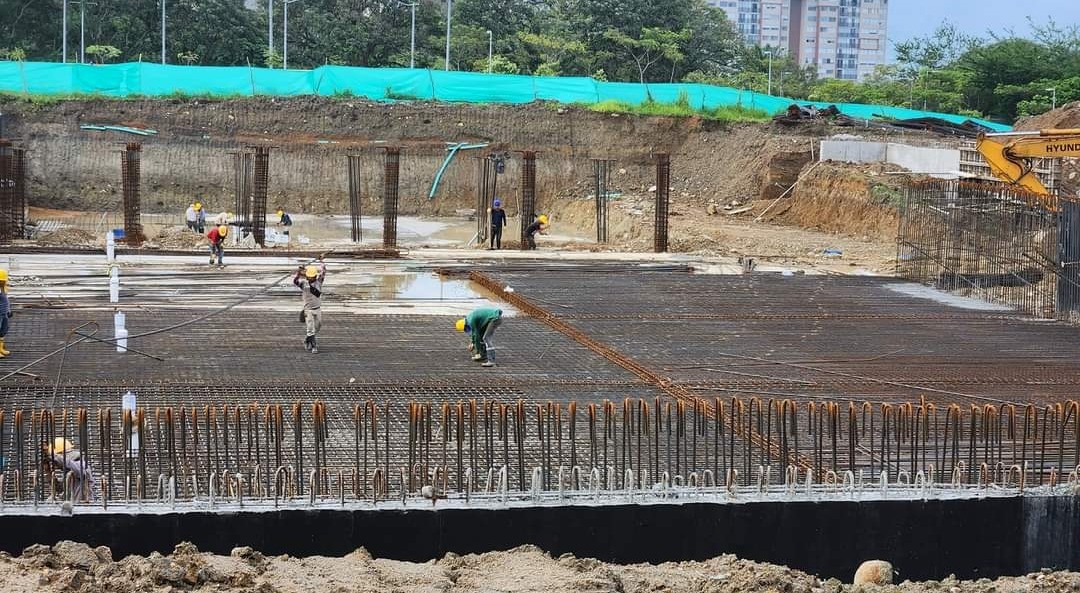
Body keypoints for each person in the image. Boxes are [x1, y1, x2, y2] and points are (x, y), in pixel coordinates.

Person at [43, 438, 96, 503]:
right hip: (73, 506)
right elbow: (61, 490)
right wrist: (48, 473)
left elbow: (71, 465)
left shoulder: (82, 465)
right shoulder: (68, 472)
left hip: (83, 507)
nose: (56, 465)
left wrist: (54, 456)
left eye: (56, 462)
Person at [294, 261, 327, 354]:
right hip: (308, 311)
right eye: (309, 277)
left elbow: (324, 272)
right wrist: (298, 272)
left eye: (312, 277)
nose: (311, 278)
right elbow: (295, 281)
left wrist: (322, 262)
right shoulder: (304, 284)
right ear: (307, 276)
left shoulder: (319, 282)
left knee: (318, 326)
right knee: (310, 328)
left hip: (317, 309)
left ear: (315, 276)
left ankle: (307, 339)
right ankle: (314, 346)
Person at [0, 270, 11, 358]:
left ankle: (1, 348)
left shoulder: (3, 289)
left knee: (3, 330)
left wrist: (8, 311)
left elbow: (6, 301)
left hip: (4, 313)